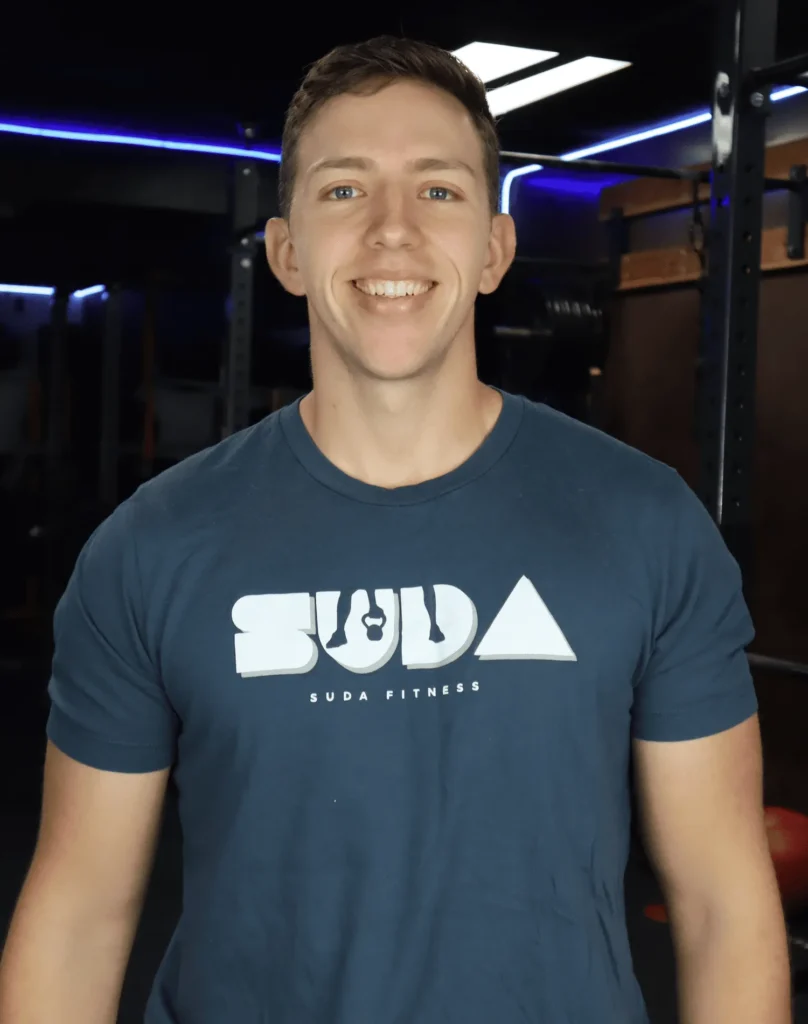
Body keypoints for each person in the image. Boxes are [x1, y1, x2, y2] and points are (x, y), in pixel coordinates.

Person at [0, 34, 792, 1024]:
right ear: (285, 253)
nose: (390, 232)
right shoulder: (146, 551)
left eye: (438, 191)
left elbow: (723, 903)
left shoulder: (645, 523)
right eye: (342, 191)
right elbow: (77, 915)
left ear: (495, 248)